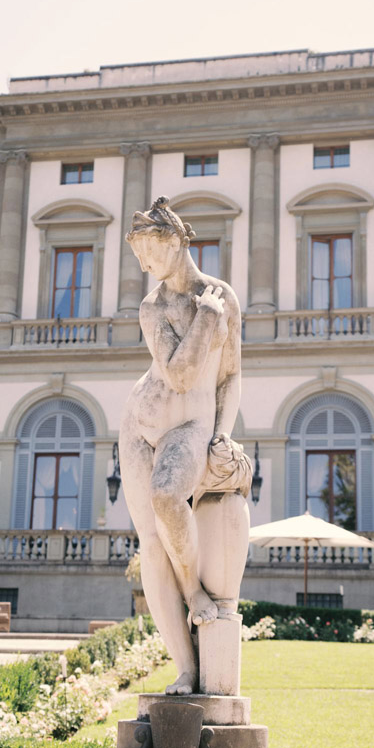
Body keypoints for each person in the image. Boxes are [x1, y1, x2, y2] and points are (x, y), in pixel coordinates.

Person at [119, 196, 249, 695]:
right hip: (138, 426)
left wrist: (221, 435)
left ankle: (196, 592)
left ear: (175, 243)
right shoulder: (153, 307)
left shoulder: (222, 296)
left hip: (191, 426)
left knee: (168, 499)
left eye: (150, 255)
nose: (146, 267)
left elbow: (230, 377)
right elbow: (175, 373)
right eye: (140, 260)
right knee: (151, 546)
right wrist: (204, 321)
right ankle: (185, 667)